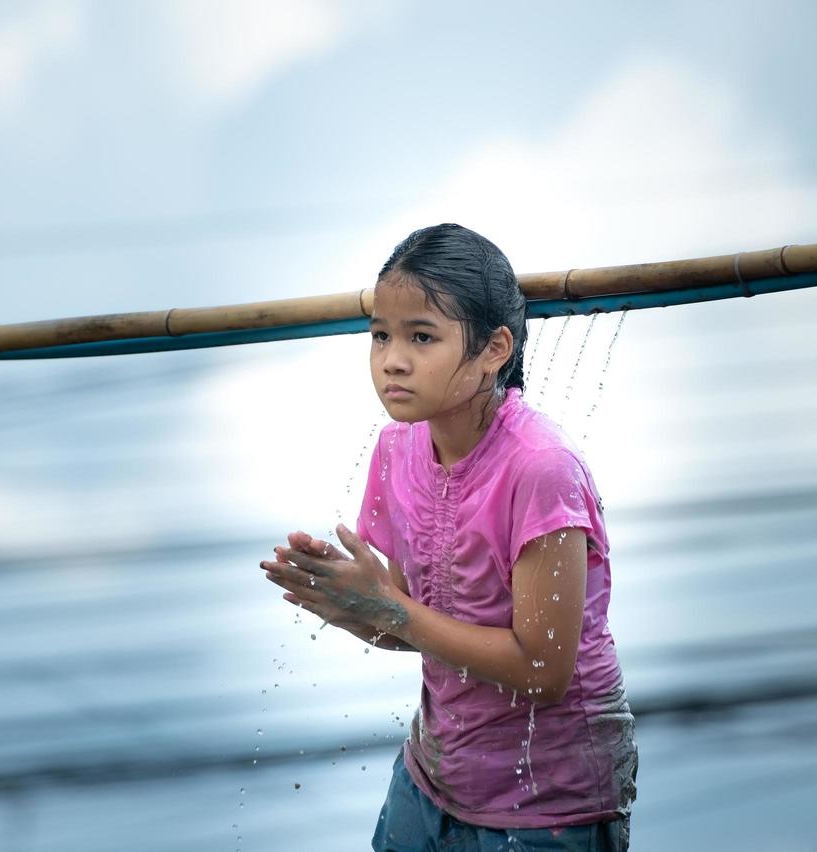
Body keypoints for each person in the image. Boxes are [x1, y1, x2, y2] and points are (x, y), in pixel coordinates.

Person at [260, 223, 637, 852]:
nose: (392, 359)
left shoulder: (540, 468)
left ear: (494, 349)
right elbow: (419, 627)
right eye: (380, 334)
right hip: (433, 778)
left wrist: (390, 608)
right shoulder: (396, 448)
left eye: (422, 337)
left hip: (548, 805)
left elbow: (542, 669)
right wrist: (354, 605)